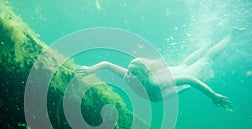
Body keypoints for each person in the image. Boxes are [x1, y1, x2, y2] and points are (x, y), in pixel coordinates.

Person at [76, 28, 244, 111]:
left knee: (204, 61)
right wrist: (91, 69)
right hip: (169, 78)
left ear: (143, 76)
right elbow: (106, 64)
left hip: (177, 82)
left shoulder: (156, 83)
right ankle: (205, 43)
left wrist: (212, 95)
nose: (127, 75)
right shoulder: (129, 74)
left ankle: (232, 35)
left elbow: (189, 79)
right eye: (128, 70)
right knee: (184, 64)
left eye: (134, 73)